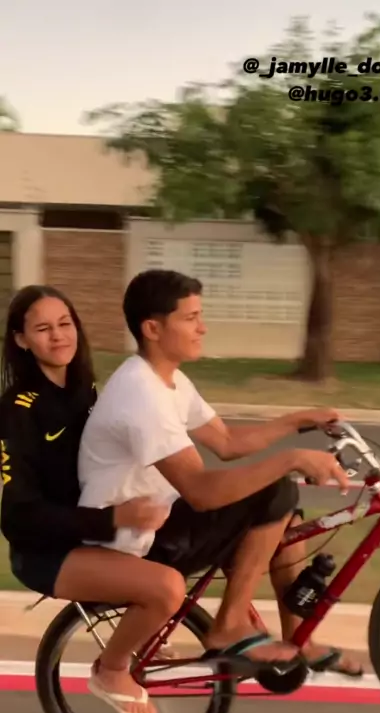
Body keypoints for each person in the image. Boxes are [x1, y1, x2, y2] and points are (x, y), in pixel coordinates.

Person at [78, 269, 363, 677]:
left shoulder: (168, 380)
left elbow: (227, 442)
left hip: (160, 518)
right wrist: (291, 459)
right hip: (135, 541)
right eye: (191, 318)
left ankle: (300, 639)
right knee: (275, 491)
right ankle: (228, 626)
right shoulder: (141, 395)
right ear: (153, 329)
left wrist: (300, 420)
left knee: (285, 515)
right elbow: (200, 490)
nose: (203, 328)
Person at [0, 285, 188, 713]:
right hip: (47, 553)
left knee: (210, 523)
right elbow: (17, 516)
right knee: (167, 588)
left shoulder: (86, 390)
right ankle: (112, 670)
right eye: (43, 329)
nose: (58, 335)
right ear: (21, 340)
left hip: (97, 532)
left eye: (65, 324)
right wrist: (113, 518)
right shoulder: (17, 410)